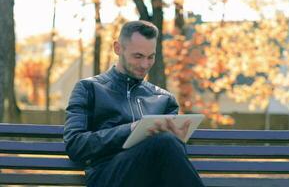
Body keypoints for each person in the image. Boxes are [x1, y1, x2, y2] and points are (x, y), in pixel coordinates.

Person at [64, 20, 205, 187]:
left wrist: (179, 141)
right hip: (108, 176)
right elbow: (75, 145)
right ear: (118, 48)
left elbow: (172, 159)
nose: (145, 65)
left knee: (167, 142)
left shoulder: (164, 99)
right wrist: (131, 129)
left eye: (150, 57)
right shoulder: (89, 88)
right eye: (138, 56)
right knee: (164, 141)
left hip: (152, 179)